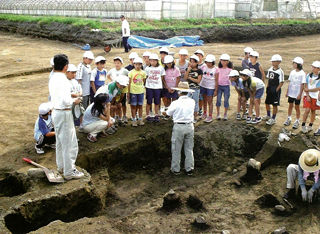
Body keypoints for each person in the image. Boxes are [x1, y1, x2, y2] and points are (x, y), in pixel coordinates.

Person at [49, 53, 84, 180]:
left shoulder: (53, 77)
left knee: (60, 141)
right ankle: (69, 171)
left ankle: (62, 166)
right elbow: (65, 100)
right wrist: (73, 101)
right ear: (66, 67)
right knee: (69, 143)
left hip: (56, 111)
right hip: (63, 112)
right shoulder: (62, 80)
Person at [164, 82, 195, 176]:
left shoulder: (175, 103)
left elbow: (168, 113)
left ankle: (176, 169)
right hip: (190, 126)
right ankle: (189, 169)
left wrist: (163, 111)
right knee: (189, 148)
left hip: (179, 126)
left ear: (179, 92)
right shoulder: (192, 101)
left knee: (176, 148)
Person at [284, 57, 305, 129]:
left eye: (295, 63)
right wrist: (287, 91)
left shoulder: (302, 73)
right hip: (291, 92)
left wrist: (300, 94)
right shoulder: (292, 72)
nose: (293, 65)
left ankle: (297, 120)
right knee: (290, 105)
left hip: (297, 93)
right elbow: (290, 82)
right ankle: (289, 118)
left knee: (297, 107)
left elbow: (302, 85)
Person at [107, 56, 129, 124]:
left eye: (118, 63)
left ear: (121, 63)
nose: (117, 64)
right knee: (115, 103)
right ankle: (116, 116)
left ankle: (123, 116)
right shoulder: (112, 70)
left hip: (122, 88)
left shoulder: (124, 70)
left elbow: (129, 75)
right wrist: (112, 80)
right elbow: (108, 75)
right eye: (115, 63)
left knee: (122, 103)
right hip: (115, 87)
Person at [264, 54, 284, 126]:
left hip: (275, 88)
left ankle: (273, 118)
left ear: (278, 62)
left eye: (274, 61)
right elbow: (269, 79)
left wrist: (276, 89)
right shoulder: (270, 69)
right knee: (267, 102)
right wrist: (268, 87)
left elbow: (281, 82)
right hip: (270, 88)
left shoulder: (280, 71)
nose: (272, 63)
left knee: (274, 104)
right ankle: (268, 115)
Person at [145, 53, 165, 122]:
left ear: (157, 61)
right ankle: (148, 115)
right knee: (149, 101)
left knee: (157, 102)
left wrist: (158, 83)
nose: (152, 62)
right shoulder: (147, 68)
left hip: (157, 87)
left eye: (154, 61)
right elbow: (146, 77)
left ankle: (156, 114)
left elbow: (162, 77)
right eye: (151, 61)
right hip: (149, 87)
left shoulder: (161, 68)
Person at [77, 51, 94, 132]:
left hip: (88, 91)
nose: (91, 61)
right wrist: (80, 92)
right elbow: (78, 79)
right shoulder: (80, 66)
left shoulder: (88, 66)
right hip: (83, 92)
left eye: (91, 60)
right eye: (89, 59)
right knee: (82, 109)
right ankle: (81, 125)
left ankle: (85, 124)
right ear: (84, 58)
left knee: (86, 108)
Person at [301, 61, 320, 134]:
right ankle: (303, 124)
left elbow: (317, 88)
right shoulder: (309, 75)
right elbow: (306, 85)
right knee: (307, 110)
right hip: (308, 95)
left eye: (315, 67)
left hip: (315, 96)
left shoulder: (319, 78)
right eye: (313, 67)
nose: (313, 68)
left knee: (313, 111)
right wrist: (307, 94)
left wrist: (308, 90)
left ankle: (310, 125)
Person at [199, 54, 219, 123]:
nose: (208, 64)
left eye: (210, 62)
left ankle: (210, 115)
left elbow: (216, 80)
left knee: (210, 101)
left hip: (211, 87)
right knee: (204, 100)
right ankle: (204, 112)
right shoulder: (203, 67)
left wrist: (216, 90)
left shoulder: (216, 69)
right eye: (207, 62)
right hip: (203, 85)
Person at [128, 57, 147, 126]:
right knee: (133, 106)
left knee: (140, 105)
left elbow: (143, 81)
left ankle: (140, 119)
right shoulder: (131, 72)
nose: (138, 66)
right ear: (134, 64)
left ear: (141, 65)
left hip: (140, 91)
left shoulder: (143, 72)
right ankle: (134, 120)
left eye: (139, 64)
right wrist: (128, 92)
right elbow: (129, 83)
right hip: (133, 92)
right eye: (136, 64)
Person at [185, 54, 203, 123]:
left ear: (197, 63)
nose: (192, 63)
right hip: (188, 88)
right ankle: (188, 116)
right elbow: (185, 78)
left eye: (194, 62)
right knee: (187, 102)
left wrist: (190, 78)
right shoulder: (188, 69)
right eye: (191, 62)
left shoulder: (199, 71)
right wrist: (187, 71)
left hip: (195, 88)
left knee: (195, 103)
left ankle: (195, 117)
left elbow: (198, 81)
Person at [162, 55, 181, 119]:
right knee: (167, 101)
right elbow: (163, 79)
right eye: (167, 63)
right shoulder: (164, 70)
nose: (168, 65)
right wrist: (167, 87)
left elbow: (178, 78)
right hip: (167, 88)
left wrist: (175, 88)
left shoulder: (176, 69)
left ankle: (174, 114)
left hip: (174, 88)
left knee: (174, 101)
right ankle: (168, 114)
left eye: (169, 63)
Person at [216, 54, 233, 121]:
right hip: (219, 85)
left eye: (225, 61)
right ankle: (218, 113)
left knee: (226, 100)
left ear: (228, 61)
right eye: (222, 60)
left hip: (226, 85)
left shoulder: (229, 70)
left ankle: (225, 114)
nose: (223, 62)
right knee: (218, 100)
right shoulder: (218, 69)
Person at [194, 49, 205, 116]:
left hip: (202, 84)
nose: (198, 57)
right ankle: (195, 109)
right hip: (194, 84)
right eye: (196, 55)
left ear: (202, 57)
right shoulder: (193, 64)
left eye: (199, 56)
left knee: (201, 98)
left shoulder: (204, 65)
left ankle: (200, 109)